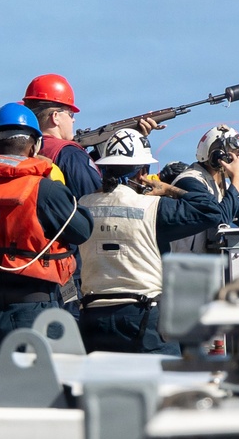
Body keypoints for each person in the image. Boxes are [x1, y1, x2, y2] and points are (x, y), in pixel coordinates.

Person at [0, 102, 94, 381]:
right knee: (40, 393)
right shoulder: (44, 189)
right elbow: (82, 230)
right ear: (35, 146)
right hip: (34, 313)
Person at [78, 129, 224, 354]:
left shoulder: (82, 205)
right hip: (143, 317)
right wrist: (169, 189)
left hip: (93, 317)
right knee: (163, 375)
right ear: (142, 173)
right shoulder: (154, 208)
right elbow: (211, 211)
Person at [22, 73, 158, 315]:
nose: (74, 120)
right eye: (70, 114)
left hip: (28, 263)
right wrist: (131, 155)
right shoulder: (70, 154)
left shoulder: (24, 152)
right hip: (66, 268)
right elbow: (98, 204)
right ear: (55, 117)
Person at [170, 124, 239, 253]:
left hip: (202, 263)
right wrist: (237, 179)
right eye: (237, 155)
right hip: (182, 263)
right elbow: (219, 221)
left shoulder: (221, 186)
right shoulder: (189, 182)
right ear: (218, 156)